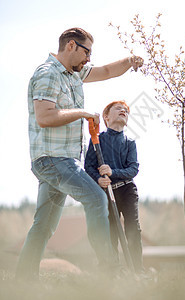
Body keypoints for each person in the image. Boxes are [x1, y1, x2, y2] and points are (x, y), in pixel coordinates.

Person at [16, 27, 144, 280]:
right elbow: (44, 117)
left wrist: (130, 62)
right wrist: (82, 112)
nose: (89, 60)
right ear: (72, 45)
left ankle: (23, 281)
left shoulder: (73, 75)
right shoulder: (48, 74)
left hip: (60, 160)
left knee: (44, 225)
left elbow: (107, 72)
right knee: (97, 199)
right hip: (53, 159)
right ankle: (109, 270)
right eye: (87, 52)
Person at [85, 100, 143, 273]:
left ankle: (137, 270)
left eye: (126, 110)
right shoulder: (98, 139)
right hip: (107, 192)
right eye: (118, 109)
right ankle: (114, 271)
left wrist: (112, 172)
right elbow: (88, 166)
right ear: (106, 117)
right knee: (112, 231)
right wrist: (98, 179)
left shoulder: (129, 142)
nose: (123, 111)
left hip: (127, 190)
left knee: (133, 228)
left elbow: (133, 169)